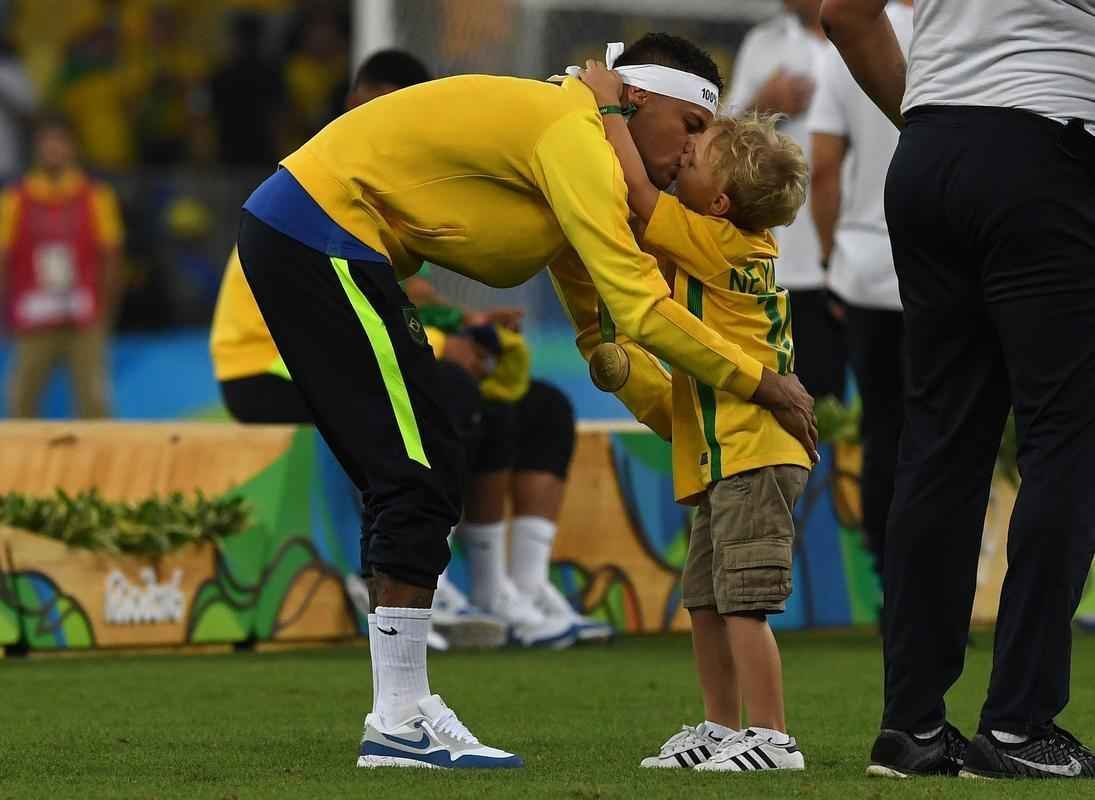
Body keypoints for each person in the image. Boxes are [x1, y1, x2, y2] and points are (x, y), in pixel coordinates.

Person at [236, 32, 817, 769]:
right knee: (418, 467)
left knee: (421, 462)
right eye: (693, 127)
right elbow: (640, 310)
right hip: (319, 234)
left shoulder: (582, 150)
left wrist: (698, 435)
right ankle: (399, 716)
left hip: (320, 238)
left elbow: (602, 332)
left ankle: (400, 712)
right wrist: (763, 386)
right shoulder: (572, 136)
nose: (689, 152)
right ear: (637, 100)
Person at [822, 0, 1095, 780]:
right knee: (1063, 442)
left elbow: (843, 14)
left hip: (930, 148)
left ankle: (908, 728)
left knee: (939, 445)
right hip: (1048, 146)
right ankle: (1018, 724)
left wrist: (935, 122)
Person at [581, 61, 812, 773]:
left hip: (753, 455)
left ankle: (771, 737)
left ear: (717, 205)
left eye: (700, 154)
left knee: (742, 604)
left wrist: (608, 111)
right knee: (708, 603)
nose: (686, 150)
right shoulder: (738, 244)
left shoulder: (713, 243)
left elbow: (639, 200)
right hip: (731, 455)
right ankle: (720, 728)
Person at [806, 0, 912, 578]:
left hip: (866, 265)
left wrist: (828, 255)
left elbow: (822, 166)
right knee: (946, 422)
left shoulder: (845, 39)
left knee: (882, 422)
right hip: (944, 261)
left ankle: (885, 575)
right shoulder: (961, 31)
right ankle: (939, 575)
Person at [724, 0, 846, 403]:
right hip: (791, 262)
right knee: (803, 405)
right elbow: (721, 143)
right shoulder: (764, 44)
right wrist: (765, 103)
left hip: (871, 255)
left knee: (883, 412)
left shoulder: (874, 35)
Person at [1, 114, 123, 418]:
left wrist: (105, 310)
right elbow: (4, 258)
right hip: (33, 315)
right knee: (21, 400)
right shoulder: (15, 198)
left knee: (95, 402)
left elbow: (111, 255)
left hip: (84, 315)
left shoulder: (96, 195)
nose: (53, 150)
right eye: (47, 143)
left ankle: (102, 463)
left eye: (60, 143)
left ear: (73, 148)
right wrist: (6, 310)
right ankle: (20, 465)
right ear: (37, 149)